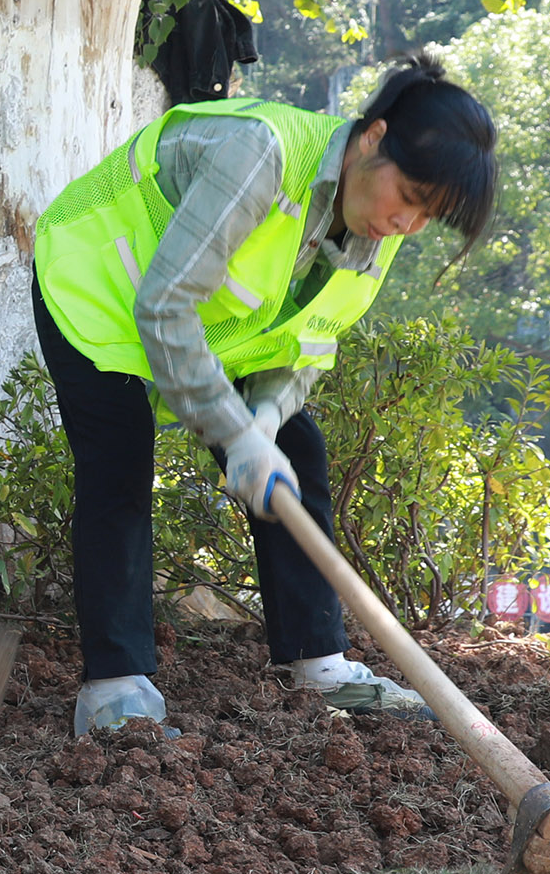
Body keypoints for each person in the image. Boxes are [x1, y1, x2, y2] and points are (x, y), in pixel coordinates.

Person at [31, 50, 497, 733]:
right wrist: (235, 433)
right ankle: (117, 689)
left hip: (211, 327)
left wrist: (265, 418)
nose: (409, 224)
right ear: (373, 138)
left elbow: (308, 342)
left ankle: (317, 664)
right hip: (96, 288)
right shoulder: (259, 157)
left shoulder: (377, 226)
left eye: (430, 216)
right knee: (117, 462)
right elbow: (163, 308)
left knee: (296, 447)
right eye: (413, 198)